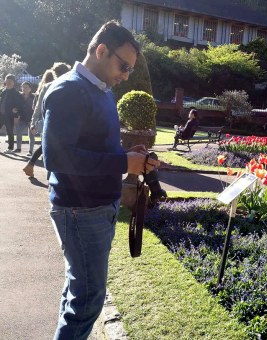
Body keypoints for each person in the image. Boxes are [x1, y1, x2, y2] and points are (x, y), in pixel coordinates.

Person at [42, 20, 160, 339]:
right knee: (86, 304)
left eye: (130, 70)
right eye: (123, 66)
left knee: (77, 295)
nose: (125, 75)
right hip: (80, 210)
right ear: (101, 50)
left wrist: (128, 152)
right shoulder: (68, 90)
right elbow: (57, 158)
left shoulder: (102, 92)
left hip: (95, 209)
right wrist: (124, 160)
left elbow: (94, 145)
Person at [23, 63, 71, 177]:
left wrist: (33, 123)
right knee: (55, 151)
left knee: (49, 149)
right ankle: (50, 180)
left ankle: (32, 166)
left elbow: (38, 108)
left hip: (48, 123)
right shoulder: (71, 86)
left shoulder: (47, 86)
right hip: (64, 125)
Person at [0, 74, 23, 152]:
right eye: (7, 80)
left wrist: (16, 110)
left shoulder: (16, 93)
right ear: (5, 81)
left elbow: (20, 104)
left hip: (9, 115)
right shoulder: (2, 91)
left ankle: (10, 148)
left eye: (10, 81)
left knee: (10, 131)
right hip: (0, 114)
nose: (9, 82)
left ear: (13, 82)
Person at [14, 81, 35, 153]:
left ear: (30, 89)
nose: (24, 88)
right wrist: (16, 110)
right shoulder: (19, 96)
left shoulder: (33, 97)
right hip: (22, 118)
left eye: (26, 87)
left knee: (31, 135)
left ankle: (30, 151)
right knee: (19, 132)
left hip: (32, 119)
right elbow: (18, 106)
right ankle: (18, 148)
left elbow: (36, 107)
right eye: (23, 87)